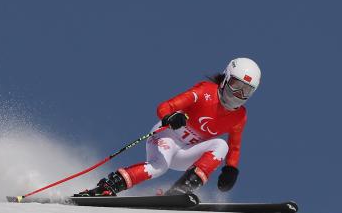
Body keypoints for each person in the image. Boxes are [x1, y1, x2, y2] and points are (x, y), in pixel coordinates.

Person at [79, 57, 261, 196]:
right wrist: (170, 117)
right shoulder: (205, 92)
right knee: (159, 167)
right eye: (236, 85)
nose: (238, 94)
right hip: (166, 137)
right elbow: (165, 106)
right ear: (225, 79)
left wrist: (231, 169)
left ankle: (181, 190)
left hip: (186, 152)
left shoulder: (239, 116)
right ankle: (108, 187)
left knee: (222, 145)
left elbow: (235, 148)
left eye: (246, 91)